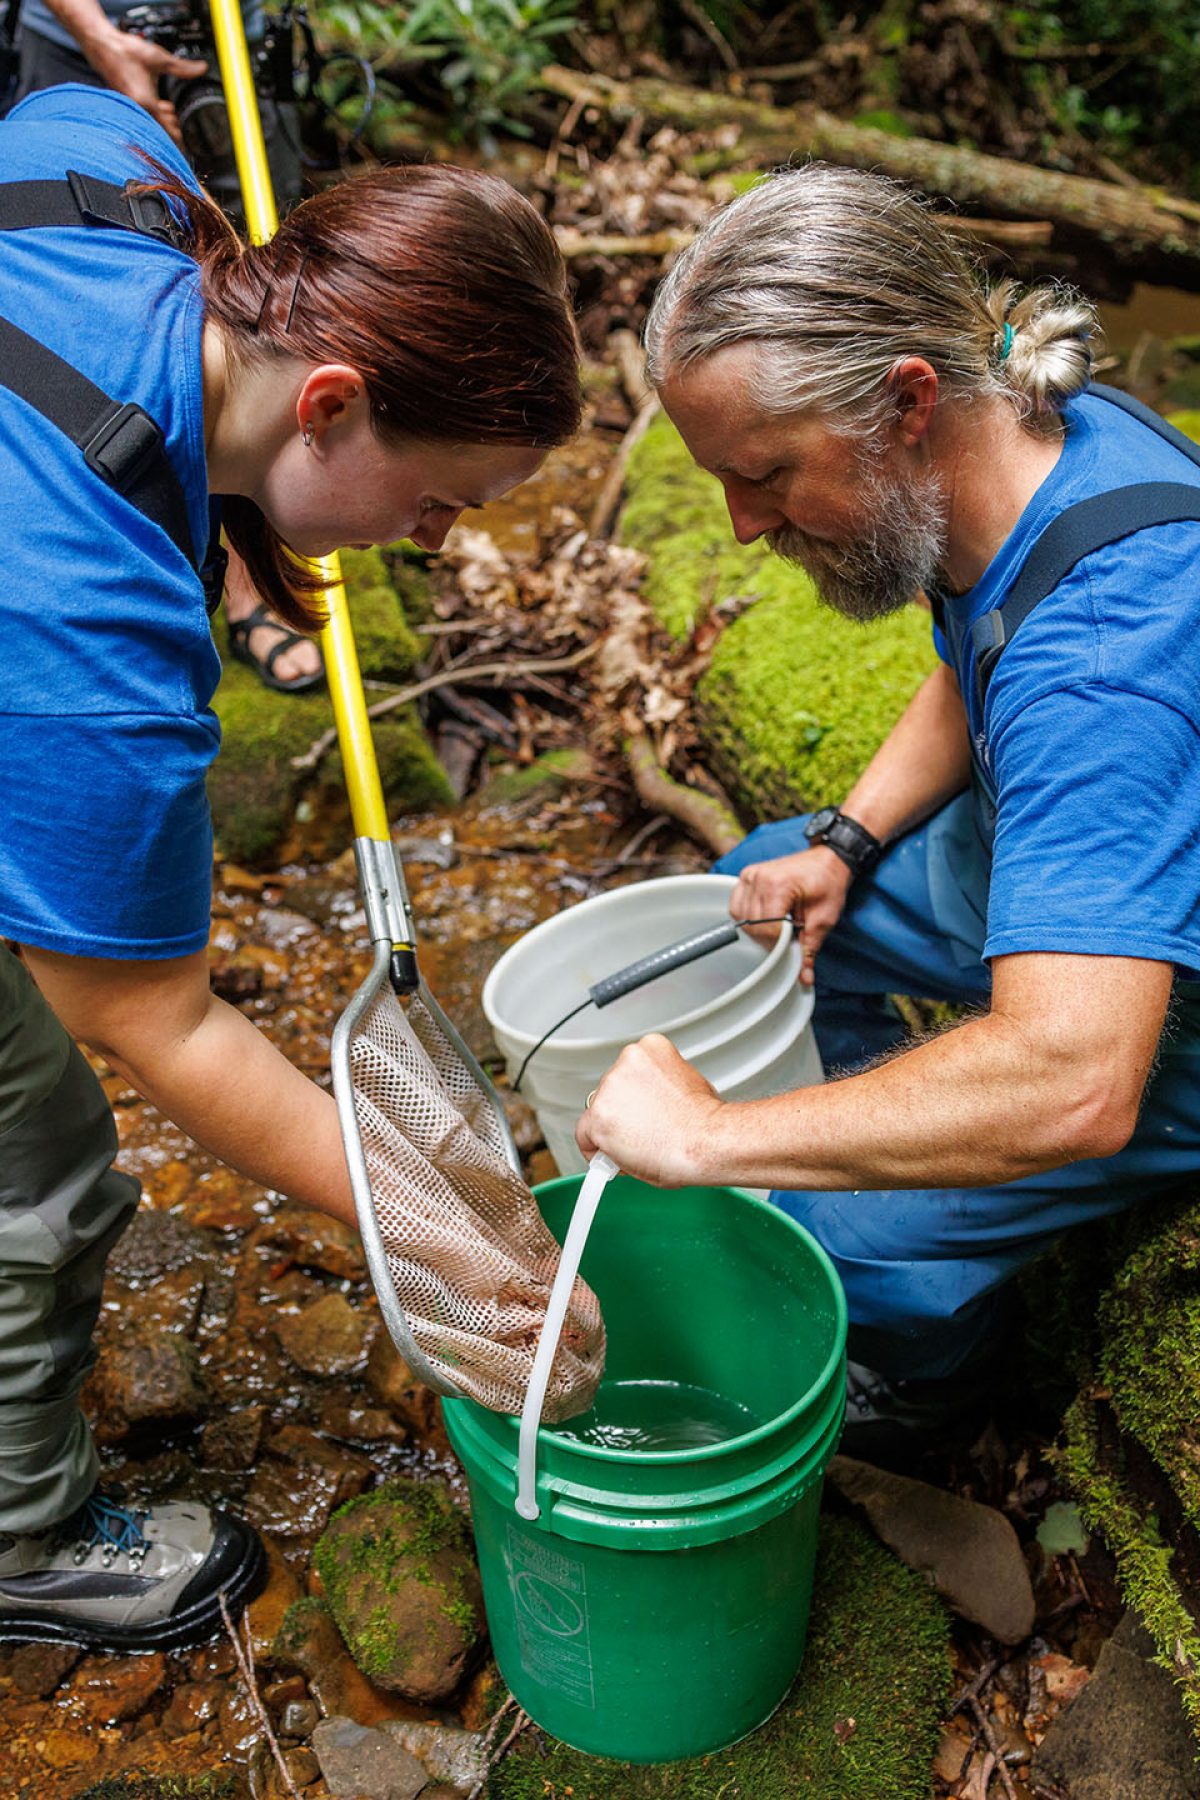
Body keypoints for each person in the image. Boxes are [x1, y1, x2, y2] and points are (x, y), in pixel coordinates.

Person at [0, 80, 581, 1647]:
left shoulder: (112, 171)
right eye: (441, 499)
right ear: (328, 401)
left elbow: (65, 76)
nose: (437, 538)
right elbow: (154, 1020)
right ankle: (22, 1548)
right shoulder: (83, 633)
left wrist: (252, 559)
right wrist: (452, 1244)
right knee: (38, 1148)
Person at [577, 163, 1200, 1462]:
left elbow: (1081, 1081)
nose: (743, 526)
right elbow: (980, 645)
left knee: (811, 1241)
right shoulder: (1031, 425)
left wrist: (709, 1141)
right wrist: (848, 840)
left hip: (1155, 1013)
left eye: (767, 475)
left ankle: (927, 1381)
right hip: (1071, 856)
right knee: (762, 891)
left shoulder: (1107, 666)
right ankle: (908, 1124)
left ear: (906, 399)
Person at [12, 0, 320, 691]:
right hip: (80, 36)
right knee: (77, 308)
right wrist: (94, 33)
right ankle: (91, 576)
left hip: (236, 50)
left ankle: (243, 587)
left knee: (262, 318)